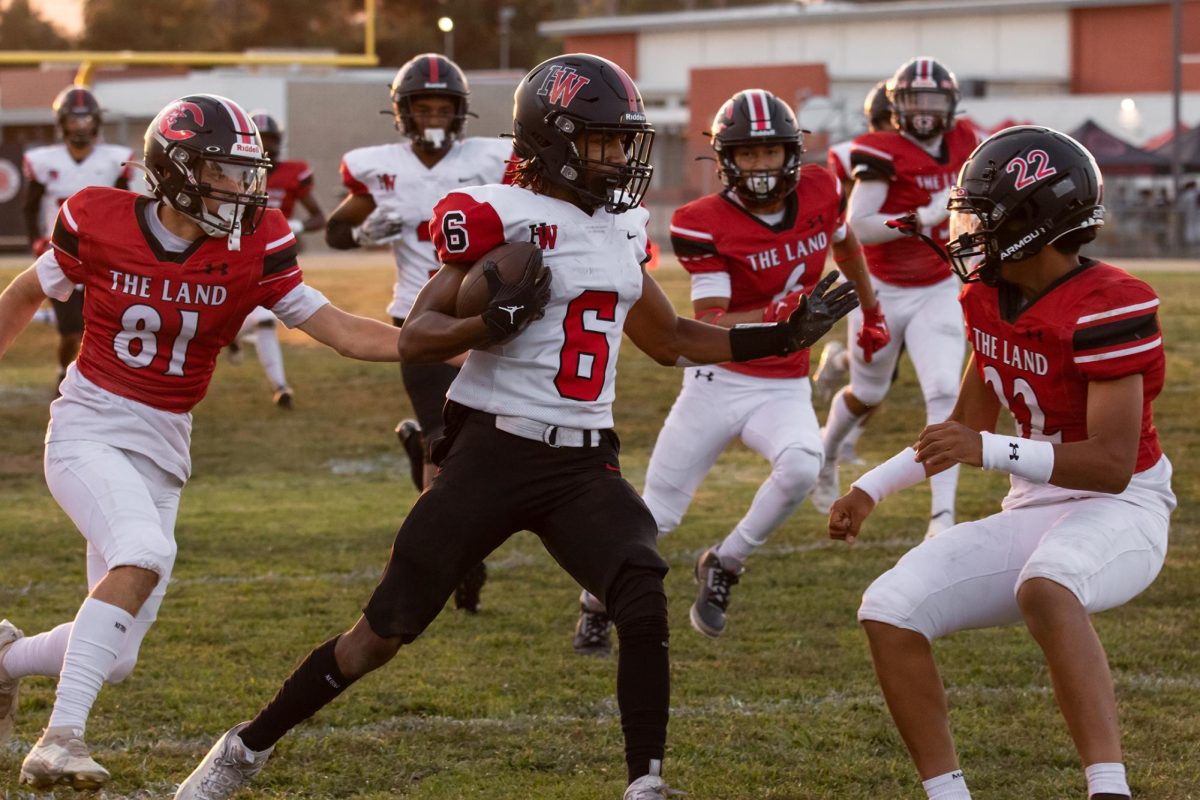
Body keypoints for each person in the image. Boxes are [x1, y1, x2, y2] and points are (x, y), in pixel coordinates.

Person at [172, 53, 856, 800]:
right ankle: (246, 747)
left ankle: (646, 784)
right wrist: (485, 322)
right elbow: (418, 332)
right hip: (492, 451)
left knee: (641, 589)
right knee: (381, 635)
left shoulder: (620, 229)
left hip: (582, 462)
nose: (623, 157)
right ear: (557, 140)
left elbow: (671, 342)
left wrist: (780, 337)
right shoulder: (502, 216)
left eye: (625, 140)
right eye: (605, 141)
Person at [0, 93, 405, 790]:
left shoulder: (256, 242)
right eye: (222, 171)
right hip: (87, 427)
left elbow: (337, 328)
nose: (240, 188)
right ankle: (60, 738)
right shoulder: (97, 217)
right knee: (145, 552)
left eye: (245, 172)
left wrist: (450, 350)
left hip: (164, 442)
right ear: (177, 169)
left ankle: (4, 660)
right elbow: (23, 295)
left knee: (117, 653)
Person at [828, 126, 1172, 800]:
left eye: (981, 216)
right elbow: (962, 426)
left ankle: (1109, 789)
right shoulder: (989, 295)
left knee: (1046, 585)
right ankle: (948, 794)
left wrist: (986, 451)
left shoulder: (1110, 303)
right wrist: (872, 487)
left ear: (1032, 223)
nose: (964, 231)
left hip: (1122, 507)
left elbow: (1109, 464)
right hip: (1035, 507)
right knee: (889, 606)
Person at [571, 88, 879, 651]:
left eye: (770, 153)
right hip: (718, 379)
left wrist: (872, 309)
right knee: (656, 516)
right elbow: (710, 319)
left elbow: (847, 245)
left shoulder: (823, 188)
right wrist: (777, 315)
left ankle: (726, 562)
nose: (761, 166)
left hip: (784, 383)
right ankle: (596, 600)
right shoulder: (700, 222)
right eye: (748, 154)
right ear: (725, 160)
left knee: (803, 465)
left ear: (792, 153)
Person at [325, 53, 511, 611]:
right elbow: (337, 229)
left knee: (484, 445)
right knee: (442, 449)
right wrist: (360, 236)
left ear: (460, 113)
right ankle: (457, 561)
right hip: (419, 319)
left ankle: (425, 459)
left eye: (443, 107)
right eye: (423, 106)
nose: (433, 116)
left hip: (482, 319)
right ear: (402, 113)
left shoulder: (492, 159)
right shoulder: (381, 169)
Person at [812, 57, 980, 540]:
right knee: (868, 394)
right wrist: (926, 215)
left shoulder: (967, 140)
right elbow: (858, 226)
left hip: (938, 285)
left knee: (945, 392)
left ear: (950, 106)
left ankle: (942, 517)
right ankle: (825, 460)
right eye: (914, 101)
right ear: (897, 106)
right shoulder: (882, 151)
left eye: (934, 101)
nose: (925, 112)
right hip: (881, 288)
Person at [22, 86, 133, 390]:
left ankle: (91, 381)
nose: (80, 127)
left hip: (103, 255)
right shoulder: (45, 161)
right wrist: (36, 239)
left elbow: (125, 208)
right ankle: (63, 369)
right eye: (74, 120)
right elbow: (30, 207)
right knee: (71, 331)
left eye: (86, 120)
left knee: (101, 328)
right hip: (60, 253)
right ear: (62, 123)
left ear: (96, 122)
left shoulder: (114, 160)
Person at [815, 80, 899, 464]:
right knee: (883, 359)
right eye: (891, 122)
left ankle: (837, 363)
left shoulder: (918, 153)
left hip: (909, 270)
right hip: (865, 261)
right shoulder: (855, 153)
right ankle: (843, 440)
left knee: (886, 364)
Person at [221, 111, 329, 409]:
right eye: (261, 140)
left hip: (274, 253)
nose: (267, 147)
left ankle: (280, 386)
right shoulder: (230, 171)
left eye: (271, 140)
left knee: (266, 319)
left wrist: (297, 227)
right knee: (243, 315)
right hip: (235, 249)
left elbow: (319, 217)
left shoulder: (294, 172)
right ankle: (230, 336)